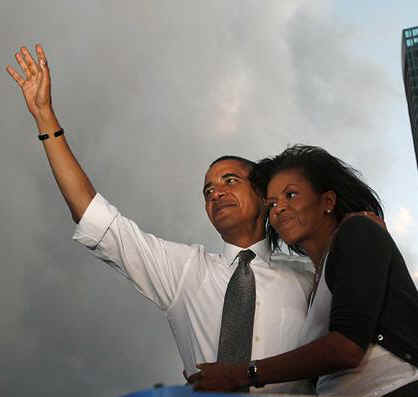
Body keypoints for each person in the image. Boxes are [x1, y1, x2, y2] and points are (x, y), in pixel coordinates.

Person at [6, 45, 315, 393]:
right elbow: (93, 216)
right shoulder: (184, 271)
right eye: (207, 190)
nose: (215, 193)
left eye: (230, 181)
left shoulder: (309, 277)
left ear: (262, 195)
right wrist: (45, 117)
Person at [190, 145, 418, 396]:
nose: (278, 208)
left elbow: (346, 349)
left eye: (291, 195)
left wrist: (240, 374)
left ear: (327, 201)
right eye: (273, 202)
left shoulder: (358, 230)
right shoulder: (315, 277)